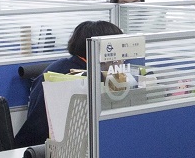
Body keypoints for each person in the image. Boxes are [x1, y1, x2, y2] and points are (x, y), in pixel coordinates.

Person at [13, 19, 123, 147]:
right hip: (48, 150)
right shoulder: (86, 79)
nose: (122, 59)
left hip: (33, 145)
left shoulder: (62, 65)